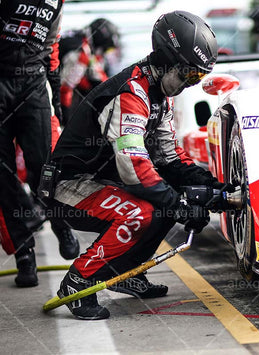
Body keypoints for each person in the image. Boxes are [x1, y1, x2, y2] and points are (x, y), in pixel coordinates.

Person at [50, 10, 224, 320]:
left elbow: (171, 158)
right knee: (142, 212)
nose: (189, 84)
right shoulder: (132, 92)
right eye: (189, 74)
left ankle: (126, 273)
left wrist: (212, 186)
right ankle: (76, 283)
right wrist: (181, 206)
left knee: (165, 201)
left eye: (198, 78)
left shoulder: (158, 94)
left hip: (102, 182)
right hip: (68, 187)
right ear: (168, 60)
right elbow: (133, 165)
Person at [0, 0, 79, 288]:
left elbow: (52, 52)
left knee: (44, 164)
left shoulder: (56, 2)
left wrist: (57, 105)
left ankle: (60, 222)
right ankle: (24, 254)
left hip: (33, 81)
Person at [59, 18, 120, 125]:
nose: (104, 53)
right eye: (105, 48)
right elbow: (65, 88)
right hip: (48, 95)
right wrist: (66, 121)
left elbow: (99, 75)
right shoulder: (80, 52)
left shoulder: (80, 38)